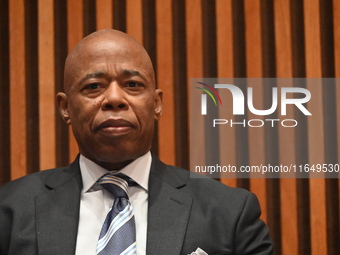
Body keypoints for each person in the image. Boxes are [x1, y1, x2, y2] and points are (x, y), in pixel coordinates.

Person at [0, 29, 273, 255]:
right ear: (65, 107)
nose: (114, 98)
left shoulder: (229, 214)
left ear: (156, 104)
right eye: (94, 86)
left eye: (132, 85)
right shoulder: (10, 210)